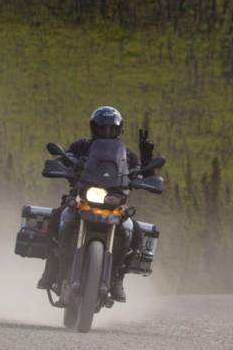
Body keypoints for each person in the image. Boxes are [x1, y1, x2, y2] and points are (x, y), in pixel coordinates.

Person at [37, 106, 155, 303]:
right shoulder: (81, 146)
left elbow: (142, 173)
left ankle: (118, 279)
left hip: (114, 203)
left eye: (111, 129)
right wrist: (61, 165)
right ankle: (50, 270)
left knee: (135, 234)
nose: (107, 132)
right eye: (103, 128)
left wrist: (146, 160)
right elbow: (64, 158)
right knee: (57, 218)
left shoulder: (127, 154)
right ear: (94, 128)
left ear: (119, 130)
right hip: (81, 199)